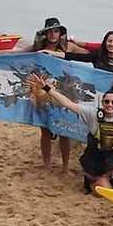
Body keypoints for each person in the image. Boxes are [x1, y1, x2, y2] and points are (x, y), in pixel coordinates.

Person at [30, 18, 88, 173]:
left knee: (63, 130)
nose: (53, 34)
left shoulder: (68, 47)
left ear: (60, 33)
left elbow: (92, 55)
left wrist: (81, 43)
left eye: (56, 31)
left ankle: (65, 166)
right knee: (45, 130)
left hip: (64, 92)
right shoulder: (38, 47)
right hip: (42, 91)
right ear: (45, 33)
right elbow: (17, 54)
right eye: (50, 31)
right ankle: (47, 164)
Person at [42, 30, 113, 87]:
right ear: (105, 42)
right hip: (98, 92)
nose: (112, 44)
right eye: (109, 41)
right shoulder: (97, 56)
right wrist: (50, 53)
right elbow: (73, 56)